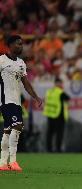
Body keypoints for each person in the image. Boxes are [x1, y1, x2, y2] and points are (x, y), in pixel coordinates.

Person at [0, 35, 42, 171]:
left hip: (16, 101)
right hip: (5, 100)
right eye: (18, 44)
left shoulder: (21, 63)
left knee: (7, 130)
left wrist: (36, 97)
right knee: (17, 126)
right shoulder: (1, 60)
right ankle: (13, 161)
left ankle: (2, 163)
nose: (20, 46)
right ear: (10, 45)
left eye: (21, 44)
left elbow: (26, 83)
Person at [43, 78, 70, 152]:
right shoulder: (60, 92)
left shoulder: (49, 91)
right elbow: (68, 98)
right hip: (59, 115)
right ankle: (58, 149)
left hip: (50, 114)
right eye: (61, 83)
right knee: (59, 134)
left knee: (50, 133)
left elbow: (45, 100)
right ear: (59, 84)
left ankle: (49, 149)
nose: (61, 85)